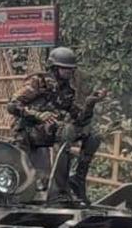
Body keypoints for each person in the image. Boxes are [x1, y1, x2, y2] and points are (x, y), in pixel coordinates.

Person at [6, 46, 107, 203]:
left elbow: (80, 120)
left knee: (93, 135)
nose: (69, 72)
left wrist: (90, 103)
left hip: (47, 131)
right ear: (54, 67)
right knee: (67, 130)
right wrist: (37, 115)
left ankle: (77, 180)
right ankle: (59, 187)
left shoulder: (67, 90)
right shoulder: (38, 82)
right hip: (26, 131)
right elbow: (12, 105)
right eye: (64, 68)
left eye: (71, 69)